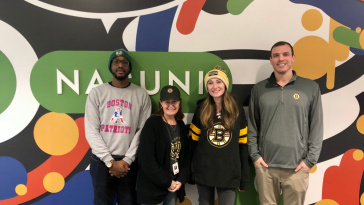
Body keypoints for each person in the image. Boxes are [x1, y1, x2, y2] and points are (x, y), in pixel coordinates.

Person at [247, 41, 323, 205]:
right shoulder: (259, 89)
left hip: (297, 167)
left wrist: (310, 161)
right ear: (271, 60)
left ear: (293, 58)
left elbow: (316, 127)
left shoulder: (310, 87)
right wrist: (255, 155)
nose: (281, 59)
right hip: (266, 166)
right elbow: (252, 125)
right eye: (276, 55)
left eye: (285, 54)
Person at [85, 48, 151, 205]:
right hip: (101, 162)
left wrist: (127, 160)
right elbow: (91, 130)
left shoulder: (141, 95)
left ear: (129, 67)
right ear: (111, 66)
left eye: (124, 62)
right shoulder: (97, 93)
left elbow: (143, 131)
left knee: (129, 202)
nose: (120, 65)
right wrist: (110, 161)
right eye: (116, 62)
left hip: (129, 163)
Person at [189, 66, 250, 205]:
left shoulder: (237, 109)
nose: (214, 86)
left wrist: (244, 177)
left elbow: (243, 145)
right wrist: (192, 172)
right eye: (210, 83)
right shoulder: (201, 108)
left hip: (229, 172)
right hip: (204, 170)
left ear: (225, 84)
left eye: (218, 82)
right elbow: (193, 142)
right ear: (207, 87)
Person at [137, 85, 190, 205]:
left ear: (179, 103)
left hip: (174, 186)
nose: (171, 105)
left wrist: (180, 181)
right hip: (153, 188)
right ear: (161, 103)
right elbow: (147, 160)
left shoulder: (181, 125)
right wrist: (167, 182)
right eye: (167, 102)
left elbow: (186, 157)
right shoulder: (152, 123)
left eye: (174, 101)